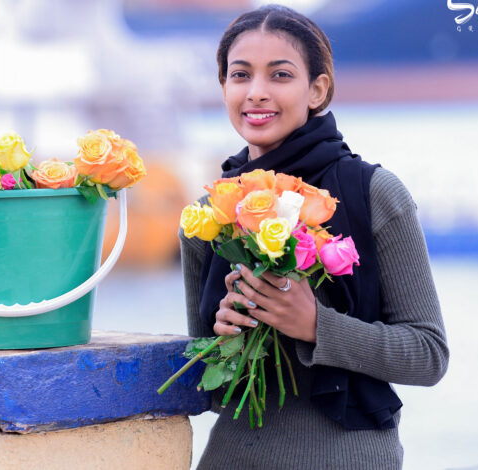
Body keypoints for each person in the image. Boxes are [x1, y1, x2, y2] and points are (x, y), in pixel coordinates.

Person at [180, 5, 449, 469]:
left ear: (317, 89)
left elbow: (428, 354)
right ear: (223, 87)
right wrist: (223, 338)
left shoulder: (374, 193)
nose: (256, 93)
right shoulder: (211, 214)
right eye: (240, 75)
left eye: (280, 75)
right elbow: (215, 389)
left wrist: (314, 325)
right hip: (232, 457)